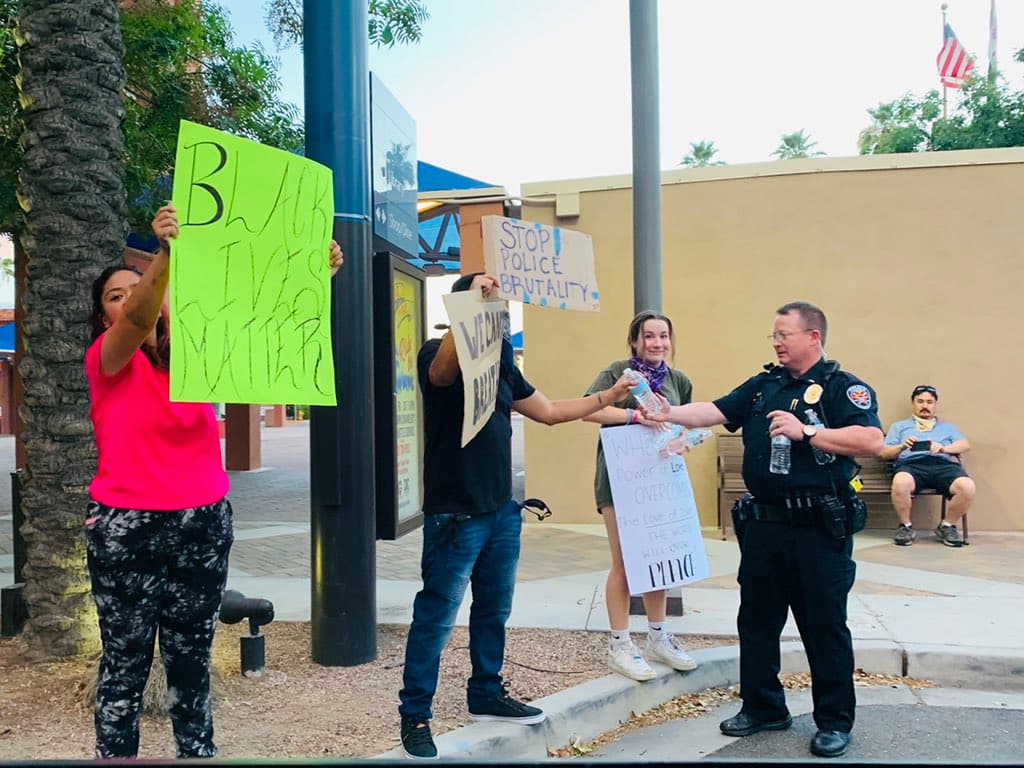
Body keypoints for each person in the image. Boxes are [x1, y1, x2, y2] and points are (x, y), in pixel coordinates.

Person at [85, 204, 343, 758]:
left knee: (191, 660)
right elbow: (137, 322)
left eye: (139, 288)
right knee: (125, 663)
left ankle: (197, 755)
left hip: (202, 521)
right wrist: (165, 255)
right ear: (103, 317)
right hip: (127, 528)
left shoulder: (201, 357)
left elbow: (269, 327)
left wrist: (311, 273)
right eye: (115, 295)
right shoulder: (107, 359)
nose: (130, 298)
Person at [398, 272, 634, 761]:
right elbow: (441, 375)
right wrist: (472, 306)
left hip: (501, 511)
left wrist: (608, 398)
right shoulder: (436, 352)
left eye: (500, 305)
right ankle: (415, 714)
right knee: (437, 616)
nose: (499, 311)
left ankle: (486, 691)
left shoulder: (503, 358)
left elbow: (548, 410)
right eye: (489, 303)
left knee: (494, 609)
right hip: (456, 513)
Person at [651, 301, 883, 759]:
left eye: (784, 335)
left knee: (824, 626)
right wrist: (668, 412)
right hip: (765, 527)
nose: (776, 343)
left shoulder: (842, 387)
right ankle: (762, 707)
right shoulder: (765, 386)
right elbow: (714, 410)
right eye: (774, 335)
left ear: (813, 337)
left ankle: (834, 721)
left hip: (818, 529)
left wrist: (808, 432)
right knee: (757, 621)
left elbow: (872, 440)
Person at [582, 310, 699, 681]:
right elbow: (590, 411)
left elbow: (685, 421)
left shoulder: (679, 380)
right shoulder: (618, 373)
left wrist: (685, 439)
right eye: (649, 336)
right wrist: (635, 417)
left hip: (660, 482)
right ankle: (620, 644)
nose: (657, 343)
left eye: (663, 336)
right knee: (624, 562)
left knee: (658, 559)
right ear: (634, 341)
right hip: (619, 481)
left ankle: (657, 637)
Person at [881, 385, 974, 547]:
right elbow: (885, 453)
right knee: (900, 482)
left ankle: (947, 525)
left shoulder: (948, 427)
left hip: (943, 465)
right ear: (913, 403)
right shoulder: (899, 427)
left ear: (935, 404)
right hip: (911, 465)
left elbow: (965, 445)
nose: (925, 405)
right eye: (920, 401)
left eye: (929, 402)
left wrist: (943, 448)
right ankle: (905, 527)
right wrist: (902, 446)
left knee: (967, 486)